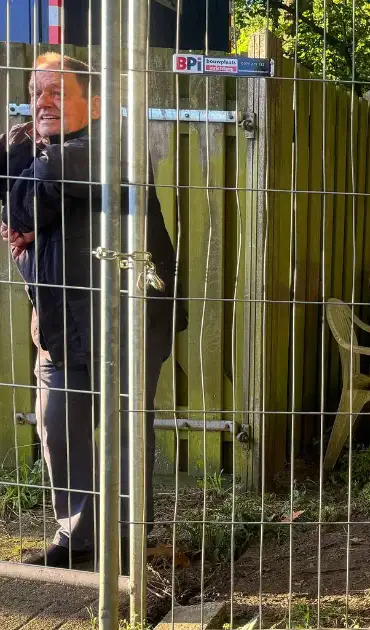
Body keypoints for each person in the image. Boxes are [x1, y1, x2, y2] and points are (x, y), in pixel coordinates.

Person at [1, 53, 186, 569]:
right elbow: (20, 205)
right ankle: (77, 538)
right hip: (61, 321)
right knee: (57, 421)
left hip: (128, 318)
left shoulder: (110, 149)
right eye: (36, 92)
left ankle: (127, 542)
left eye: (58, 90)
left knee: (127, 423)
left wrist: (23, 198)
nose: (44, 101)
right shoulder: (38, 149)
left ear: (96, 102)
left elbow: (27, 205)